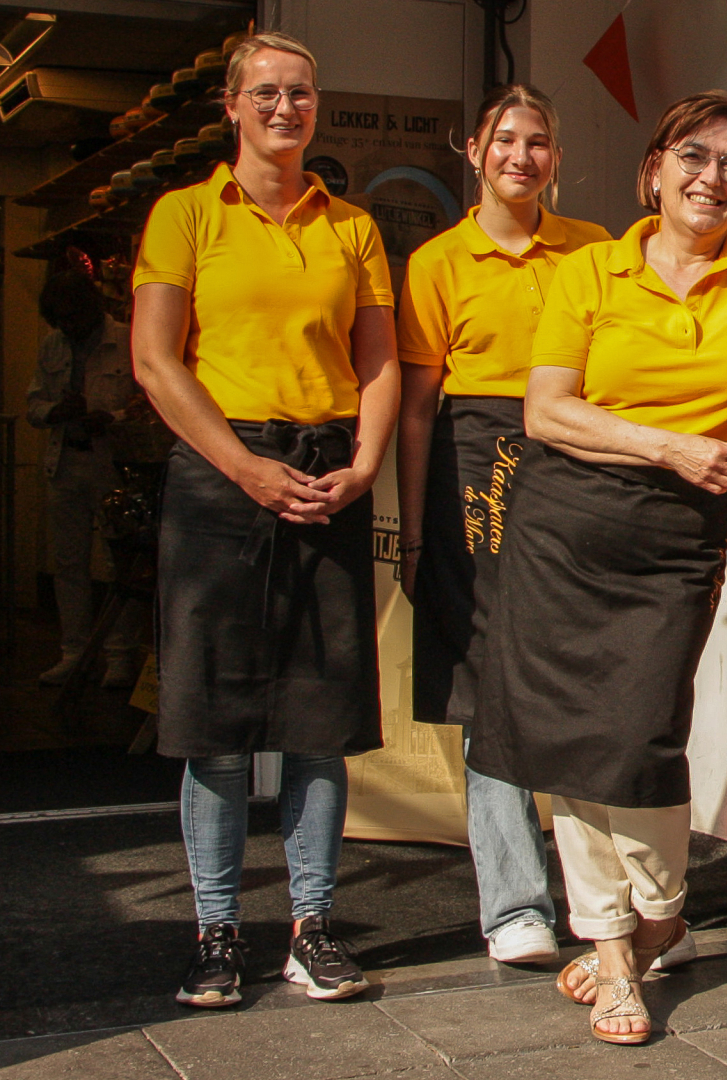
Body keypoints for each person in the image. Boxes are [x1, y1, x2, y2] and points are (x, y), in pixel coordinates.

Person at [465, 91, 727, 1046]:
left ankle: (660, 912)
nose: (712, 179)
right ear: (654, 169)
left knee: (644, 734)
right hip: (563, 524)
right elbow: (546, 412)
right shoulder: (590, 271)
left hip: (675, 539)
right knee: (567, 751)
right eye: (695, 156)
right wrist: (669, 447)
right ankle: (616, 950)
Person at [131, 32, 398, 1008]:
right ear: (234, 106)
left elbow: (378, 363)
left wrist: (365, 465)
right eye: (269, 93)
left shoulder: (354, 229)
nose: (288, 108)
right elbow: (157, 362)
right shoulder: (186, 215)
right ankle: (216, 933)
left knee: (318, 719)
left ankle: (313, 928)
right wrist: (243, 468)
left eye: (303, 93)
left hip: (326, 467)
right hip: (218, 466)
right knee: (216, 720)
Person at [393, 84, 612, 967]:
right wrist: (412, 531)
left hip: (577, 457)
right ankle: (516, 903)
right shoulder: (437, 263)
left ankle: (603, 901)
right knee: (488, 684)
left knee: (579, 675)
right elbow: (414, 411)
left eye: (540, 142)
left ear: (556, 160)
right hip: (472, 465)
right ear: (475, 152)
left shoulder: (595, 250)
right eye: (507, 141)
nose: (522, 157)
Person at [26, 265, 146, 688]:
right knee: (68, 561)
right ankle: (74, 652)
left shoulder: (128, 339)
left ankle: (118, 655)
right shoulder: (52, 345)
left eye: (74, 316)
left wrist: (108, 418)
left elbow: (144, 404)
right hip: (66, 461)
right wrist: (54, 412)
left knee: (122, 562)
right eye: (61, 319)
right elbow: (34, 402)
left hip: (113, 462)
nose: (69, 326)